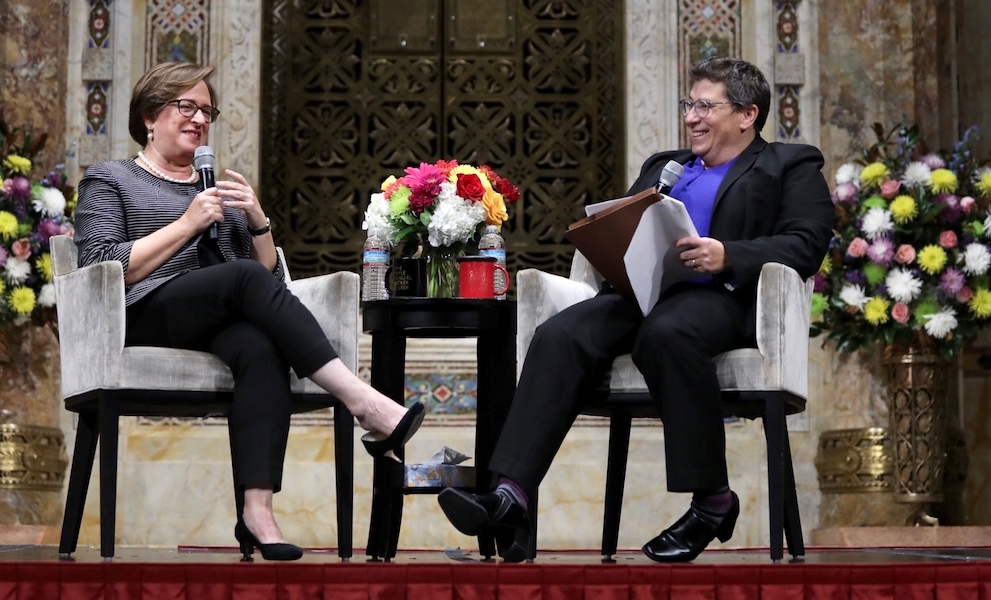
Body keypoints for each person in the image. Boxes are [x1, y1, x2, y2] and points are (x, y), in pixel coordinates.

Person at [437, 56, 833, 563]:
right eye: (689, 104)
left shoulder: (789, 164)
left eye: (705, 106)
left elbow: (807, 244)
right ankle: (509, 493)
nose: (691, 116)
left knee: (666, 335)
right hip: (640, 295)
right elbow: (627, 229)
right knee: (560, 334)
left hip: (724, 299)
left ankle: (713, 500)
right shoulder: (664, 166)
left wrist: (728, 254)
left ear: (747, 114)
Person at [75, 62, 426, 562]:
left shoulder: (218, 186)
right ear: (150, 116)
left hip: (215, 318)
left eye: (206, 111)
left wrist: (259, 222)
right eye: (186, 107)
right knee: (240, 281)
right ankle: (361, 398)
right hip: (143, 312)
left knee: (261, 346)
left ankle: (256, 512)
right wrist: (187, 222)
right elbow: (99, 264)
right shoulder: (110, 179)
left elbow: (266, 280)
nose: (199, 118)